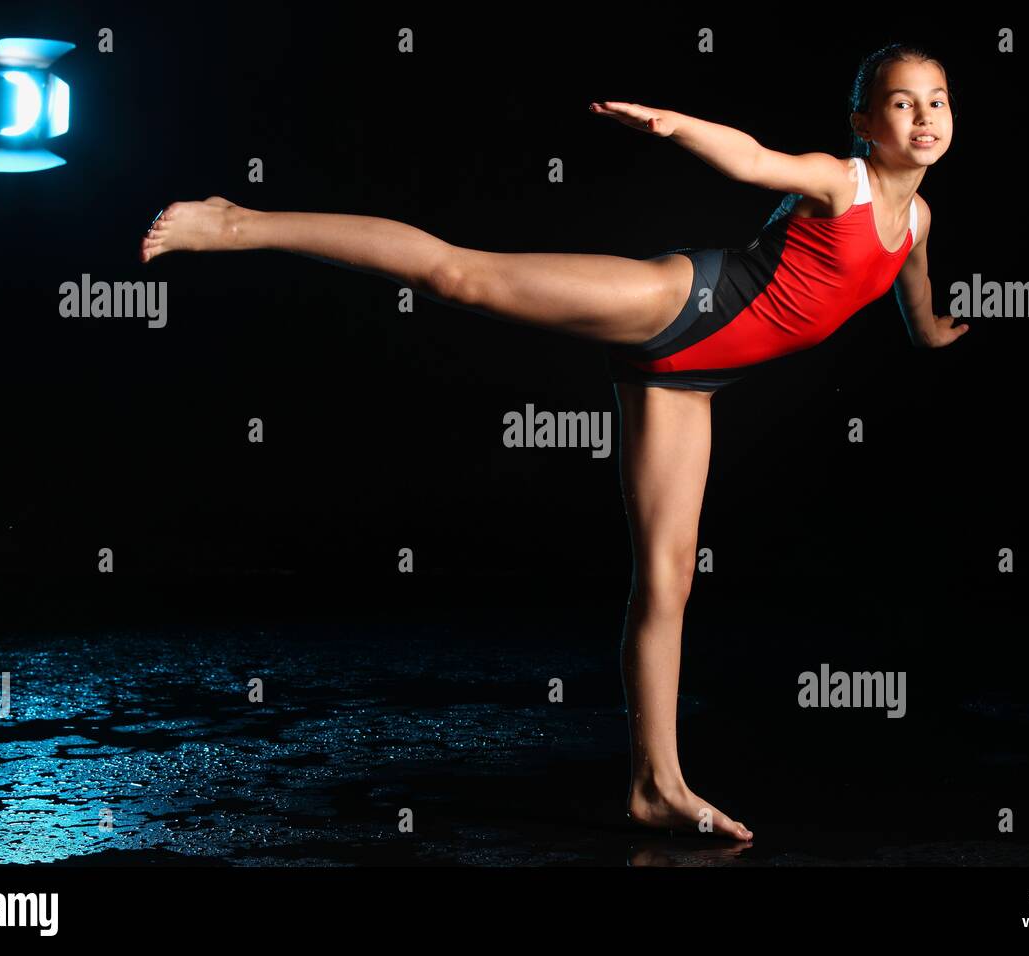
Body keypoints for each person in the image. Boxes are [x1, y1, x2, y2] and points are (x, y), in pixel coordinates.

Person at [140, 43, 968, 843]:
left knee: (669, 583)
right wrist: (675, 125)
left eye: (935, 101)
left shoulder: (917, 216)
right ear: (865, 120)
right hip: (679, 306)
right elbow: (753, 159)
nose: (923, 116)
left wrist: (933, 334)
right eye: (902, 102)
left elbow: (912, 291)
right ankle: (237, 221)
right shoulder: (841, 181)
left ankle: (655, 787)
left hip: (688, 384)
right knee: (461, 275)